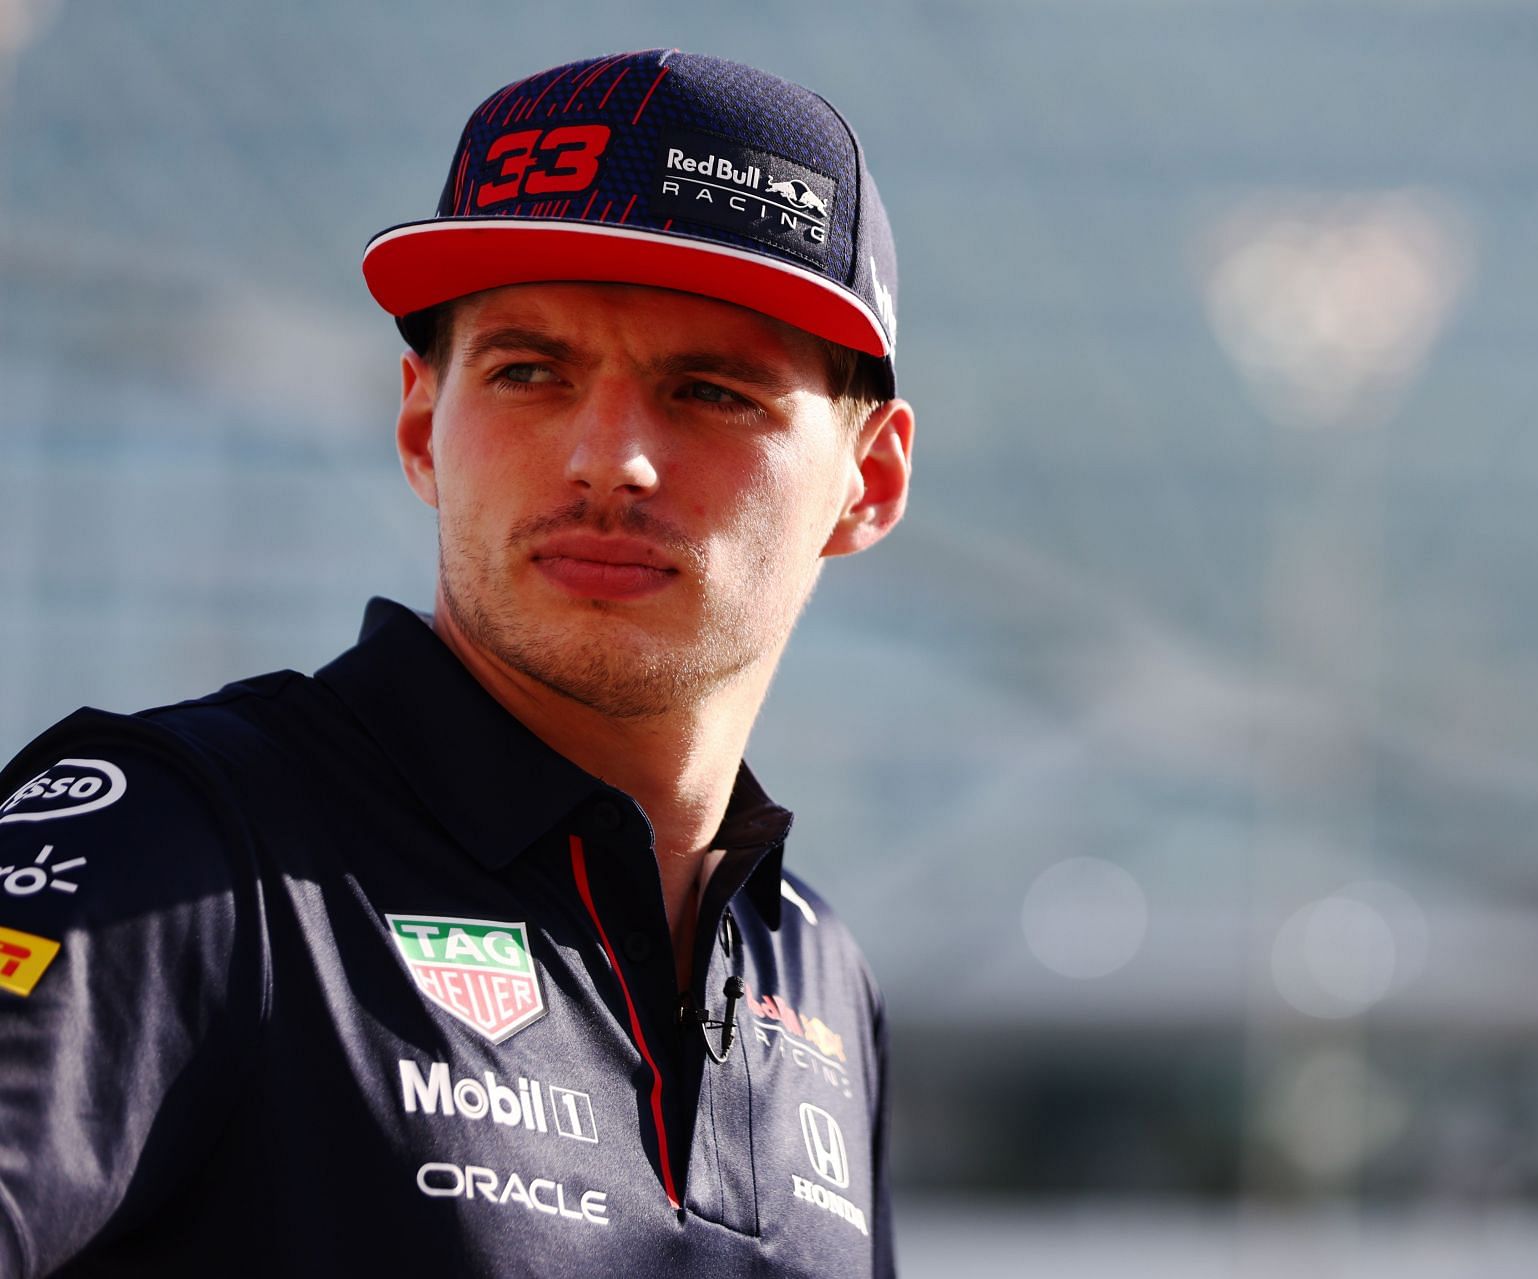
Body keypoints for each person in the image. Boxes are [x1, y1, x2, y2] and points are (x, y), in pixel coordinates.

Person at [0, 48, 910, 1277]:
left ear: (871, 481)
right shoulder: (179, 846)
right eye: (529, 372)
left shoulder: (818, 971)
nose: (607, 459)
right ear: (425, 424)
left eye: (709, 390)